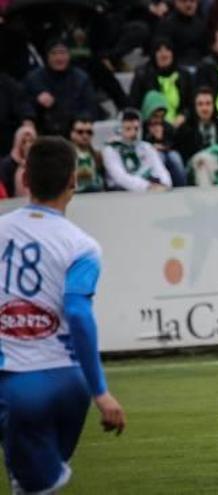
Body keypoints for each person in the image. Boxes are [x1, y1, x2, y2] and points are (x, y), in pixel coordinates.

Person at [0, 136, 126, 494]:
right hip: (69, 385)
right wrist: (99, 392)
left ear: (25, 179)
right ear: (74, 181)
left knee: (29, 485)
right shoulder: (82, 246)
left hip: (15, 382)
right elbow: (78, 313)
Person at [22, 38, 97, 136]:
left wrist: (78, 121)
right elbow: (23, 104)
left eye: (62, 53)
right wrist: (36, 102)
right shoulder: (33, 79)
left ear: (69, 55)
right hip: (42, 132)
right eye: (54, 53)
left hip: (73, 132)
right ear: (47, 56)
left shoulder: (81, 78)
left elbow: (90, 108)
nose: (59, 58)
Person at [173, 87, 218, 185]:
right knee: (203, 161)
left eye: (208, 103)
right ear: (195, 107)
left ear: (213, 105)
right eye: (200, 104)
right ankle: (207, 196)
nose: (204, 108)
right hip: (195, 168)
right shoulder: (186, 129)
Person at [128, 37, 196, 128]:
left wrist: (184, 116)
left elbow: (191, 104)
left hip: (180, 126)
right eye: (159, 51)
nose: (164, 55)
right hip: (151, 127)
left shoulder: (184, 75)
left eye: (167, 50)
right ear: (154, 54)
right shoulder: (143, 75)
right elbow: (134, 106)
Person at [101, 109, 172, 192]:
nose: (133, 133)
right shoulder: (110, 149)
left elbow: (160, 169)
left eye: (136, 129)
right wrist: (147, 186)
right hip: (121, 192)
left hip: (149, 188)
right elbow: (120, 177)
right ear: (119, 129)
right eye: (128, 129)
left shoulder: (146, 147)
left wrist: (165, 183)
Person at [141, 91, 188, 187]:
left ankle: (182, 187)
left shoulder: (167, 126)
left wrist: (161, 141)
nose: (158, 120)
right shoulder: (141, 127)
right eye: (155, 116)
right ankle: (158, 185)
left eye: (161, 116)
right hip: (147, 157)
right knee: (158, 157)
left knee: (175, 157)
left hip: (167, 152)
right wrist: (152, 144)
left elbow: (174, 143)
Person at [154, 0, 211, 69]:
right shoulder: (166, 25)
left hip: (200, 66)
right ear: (176, 2)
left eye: (192, 1)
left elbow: (206, 51)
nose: (188, 4)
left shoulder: (201, 24)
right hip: (177, 67)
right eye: (184, 1)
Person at [67, 115, 106, 193]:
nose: (85, 135)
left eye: (89, 132)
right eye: (80, 132)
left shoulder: (98, 156)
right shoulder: (64, 155)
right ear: (72, 134)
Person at [0, 125, 37, 198]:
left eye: (31, 141)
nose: (28, 145)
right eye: (24, 142)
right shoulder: (7, 164)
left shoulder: (41, 162)